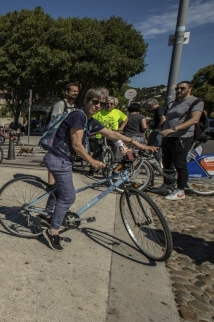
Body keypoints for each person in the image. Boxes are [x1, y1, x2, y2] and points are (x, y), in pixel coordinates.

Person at [41, 88, 158, 251]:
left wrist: (138, 144)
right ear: (86, 101)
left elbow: (112, 134)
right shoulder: (78, 116)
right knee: (68, 197)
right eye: (94, 102)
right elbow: (76, 144)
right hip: (58, 159)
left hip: (61, 159)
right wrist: (92, 161)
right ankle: (53, 230)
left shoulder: (90, 120)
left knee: (60, 190)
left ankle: (47, 213)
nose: (97, 106)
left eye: (101, 104)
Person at [155, 81, 205, 200]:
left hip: (182, 137)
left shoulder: (195, 102)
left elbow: (194, 120)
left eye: (182, 88)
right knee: (167, 163)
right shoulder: (175, 103)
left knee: (180, 164)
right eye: (177, 88)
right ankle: (167, 185)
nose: (179, 91)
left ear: (190, 89)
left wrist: (174, 129)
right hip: (168, 137)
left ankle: (181, 190)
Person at [46, 83, 80, 185]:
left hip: (67, 139)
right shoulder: (61, 104)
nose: (75, 93)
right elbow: (54, 121)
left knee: (63, 161)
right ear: (66, 92)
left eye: (77, 91)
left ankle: (58, 183)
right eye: (73, 91)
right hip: (57, 138)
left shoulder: (74, 106)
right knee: (54, 160)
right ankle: (50, 184)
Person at [88, 96, 128, 174]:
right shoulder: (99, 112)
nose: (109, 105)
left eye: (111, 104)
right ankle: (92, 169)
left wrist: (121, 128)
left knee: (116, 153)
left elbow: (126, 119)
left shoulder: (117, 112)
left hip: (113, 135)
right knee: (96, 153)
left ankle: (113, 170)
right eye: (107, 103)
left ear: (114, 104)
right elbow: (91, 120)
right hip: (100, 136)